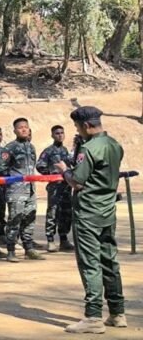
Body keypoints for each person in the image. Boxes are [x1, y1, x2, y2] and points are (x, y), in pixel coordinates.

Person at [55, 106, 126, 334]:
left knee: (90, 264)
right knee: (109, 261)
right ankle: (117, 312)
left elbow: (77, 181)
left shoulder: (90, 149)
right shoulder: (114, 145)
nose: (77, 131)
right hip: (107, 211)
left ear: (86, 125)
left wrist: (65, 170)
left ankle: (93, 316)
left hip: (87, 213)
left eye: (78, 127)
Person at [0, 118, 44, 262]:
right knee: (14, 220)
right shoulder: (9, 148)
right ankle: (11, 250)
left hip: (31, 190)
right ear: (15, 131)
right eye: (20, 127)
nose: (24, 129)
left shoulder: (31, 147)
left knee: (30, 218)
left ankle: (28, 248)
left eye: (26, 127)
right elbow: (0, 168)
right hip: (16, 191)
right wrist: (13, 180)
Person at [36, 125, 75, 253]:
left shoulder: (65, 150)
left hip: (66, 186)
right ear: (52, 135)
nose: (60, 135)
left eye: (62, 133)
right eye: (57, 133)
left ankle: (64, 239)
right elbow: (40, 165)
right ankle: (50, 240)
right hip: (55, 187)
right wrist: (51, 173)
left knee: (66, 213)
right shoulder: (48, 151)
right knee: (53, 212)